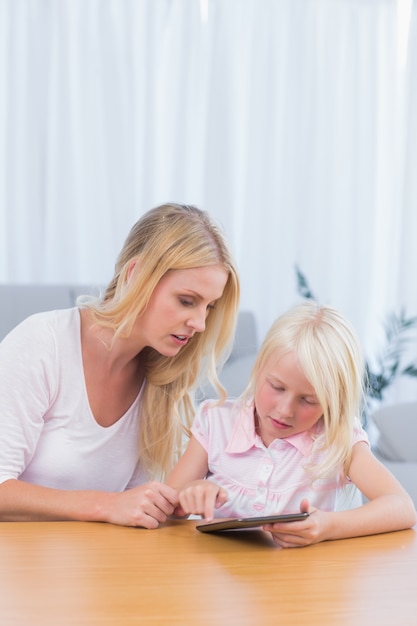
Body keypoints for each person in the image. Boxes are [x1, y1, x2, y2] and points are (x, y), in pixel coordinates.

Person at [0, 203, 240, 528]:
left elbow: (137, 505)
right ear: (135, 274)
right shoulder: (43, 343)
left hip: (99, 566)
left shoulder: (161, 380)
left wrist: (181, 501)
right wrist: (106, 505)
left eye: (209, 307)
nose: (199, 323)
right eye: (187, 301)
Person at [167, 301, 417, 547]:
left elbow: (402, 507)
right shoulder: (217, 420)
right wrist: (193, 493)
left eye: (308, 400)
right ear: (258, 368)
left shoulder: (337, 438)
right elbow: (168, 506)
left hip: (302, 581)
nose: (285, 410)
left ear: (332, 402)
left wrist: (329, 526)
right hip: (218, 579)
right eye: (276, 387)